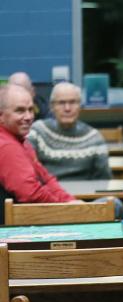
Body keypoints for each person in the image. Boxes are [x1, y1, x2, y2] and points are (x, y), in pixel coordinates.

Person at [0, 84, 77, 219]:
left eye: (31, 109)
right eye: (20, 111)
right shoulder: (6, 146)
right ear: (1, 116)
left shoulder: (21, 141)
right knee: (115, 207)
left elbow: (46, 179)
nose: (29, 116)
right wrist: (69, 209)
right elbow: (31, 195)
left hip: (36, 219)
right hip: (21, 231)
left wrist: (71, 202)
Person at [27, 81, 111, 180]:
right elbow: (28, 172)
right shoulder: (37, 132)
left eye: (72, 102)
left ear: (79, 106)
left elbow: (103, 179)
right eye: (61, 103)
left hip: (84, 194)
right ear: (52, 107)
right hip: (47, 194)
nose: (67, 108)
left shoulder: (95, 138)